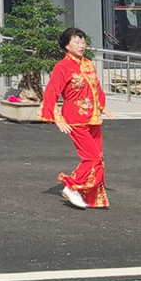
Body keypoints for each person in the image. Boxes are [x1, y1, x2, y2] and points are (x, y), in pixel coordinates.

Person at [39, 27, 115, 209]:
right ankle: (71, 186)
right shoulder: (62, 67)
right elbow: (51, 93)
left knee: (99, 158)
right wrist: (58, 118)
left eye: (83, 41)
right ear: (67, 45)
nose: (81, 45)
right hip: (75, 119)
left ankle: (90, 196)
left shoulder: (88, 64)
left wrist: (102, 106)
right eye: (76, 42)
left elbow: (96, 88)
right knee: (92, 157)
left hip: (93, 117)